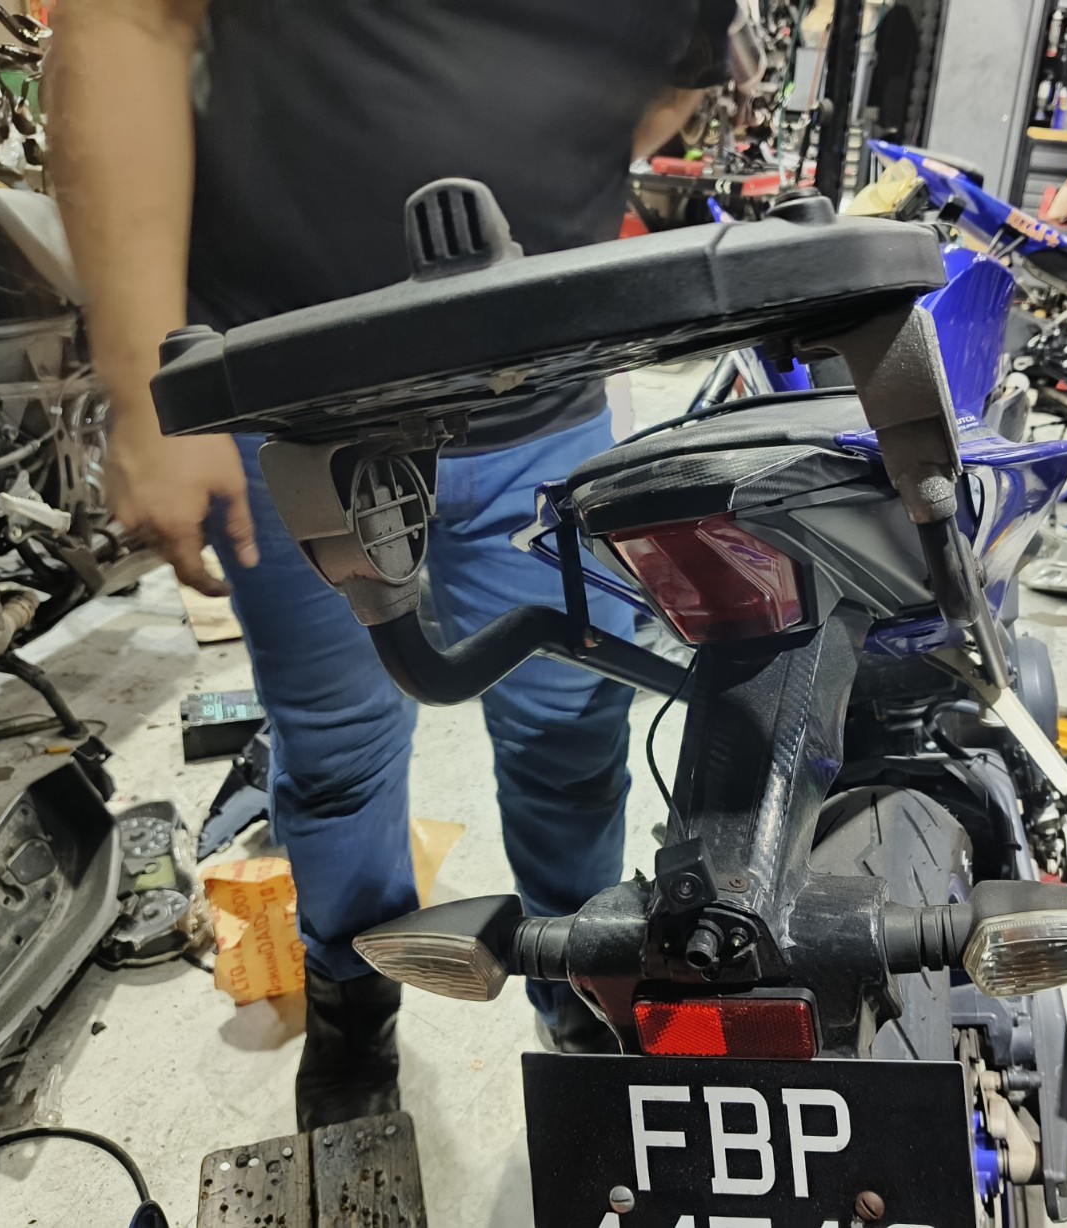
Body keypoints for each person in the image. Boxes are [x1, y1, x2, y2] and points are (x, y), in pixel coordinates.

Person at [47, 0, 731, 1130]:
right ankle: (353, 1004)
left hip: (544, 409)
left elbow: (676, 75)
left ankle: (585, 993)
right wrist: (143, 384)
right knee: (335, 755)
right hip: (297, 402)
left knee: (571, 738)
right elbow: (128, 20)